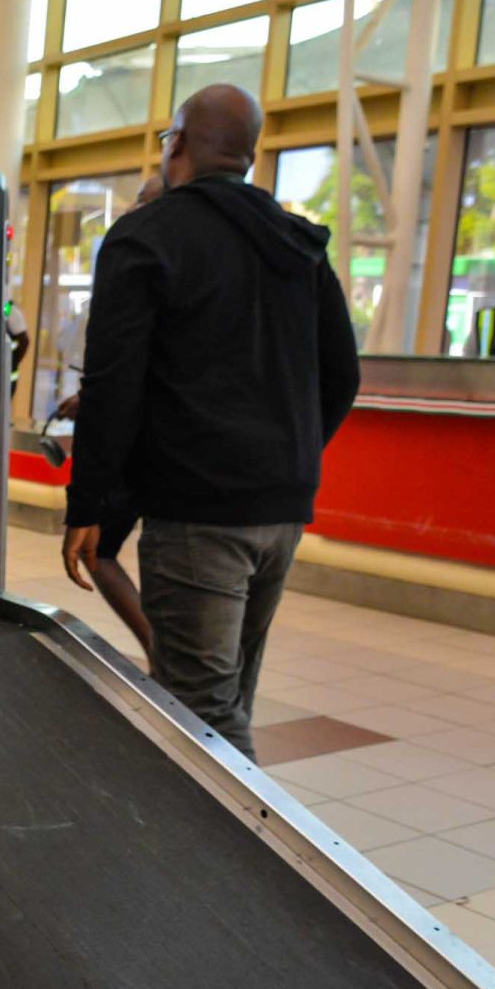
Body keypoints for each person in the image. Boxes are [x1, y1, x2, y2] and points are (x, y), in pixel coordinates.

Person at [60, 85, 361, 760]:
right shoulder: (298, 242)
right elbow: (343, 375)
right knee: (228, 697)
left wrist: (91, 501)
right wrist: (286, 457)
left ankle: (249, 857)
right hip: (281, 509)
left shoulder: (148, 235)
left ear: (179, 143)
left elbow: (114, 381)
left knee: (202, 715)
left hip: (198, 512)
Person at [52, 172, 167, 659]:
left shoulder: (142, 260)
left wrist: (84, 505)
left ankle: (160, 651)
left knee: (96, 547)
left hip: (146, 451)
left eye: (142, 200)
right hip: (177, 456)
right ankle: (165, 654)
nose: (132, 210)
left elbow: (118, 378)